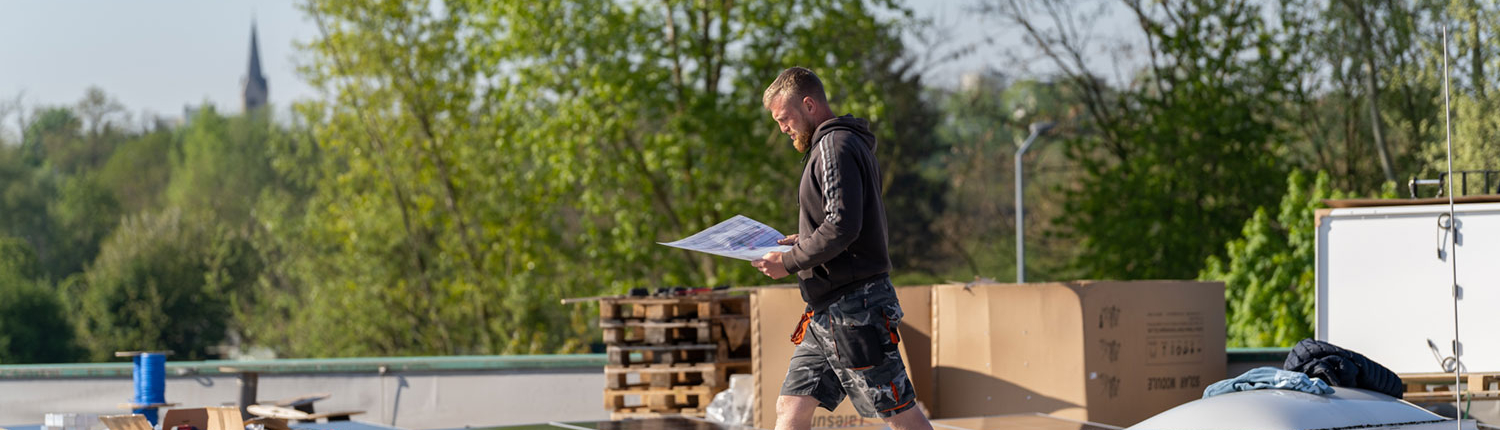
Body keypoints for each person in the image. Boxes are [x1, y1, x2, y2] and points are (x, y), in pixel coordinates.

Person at [751, 67, 933, 430]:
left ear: (809, 104)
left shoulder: (834, 147)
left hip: (856, 311)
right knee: (791, 406)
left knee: (899, 413)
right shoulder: (834, 146)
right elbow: (842, 225)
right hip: (826, 311)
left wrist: (788, 262)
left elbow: (842, 227)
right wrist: (802, 240)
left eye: (785, 119)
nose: (783, 129)